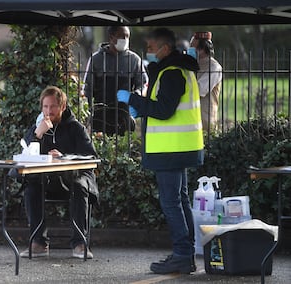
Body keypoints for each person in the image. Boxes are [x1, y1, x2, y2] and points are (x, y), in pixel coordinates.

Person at [117, 28, 204, 274]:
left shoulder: (172, 72)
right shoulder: (178, 69)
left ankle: (182, 254)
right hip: (179, 148)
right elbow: (163, 107)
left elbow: (165, 110)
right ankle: (185, 253)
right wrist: (142, 108)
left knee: (171, 202)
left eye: (151, 47)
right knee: (180, 199)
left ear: (165, 49)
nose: (148, 52)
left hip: (170, 149)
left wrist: (133, 101)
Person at [18, 86, 98, 259]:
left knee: (79, 186)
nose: (49, 111)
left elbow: (91, 157)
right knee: (32, 187)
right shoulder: (38, 127)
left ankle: (79, 244)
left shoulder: (76, 128)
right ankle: (38, 243)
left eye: (53, 106)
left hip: (73, 177)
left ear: (62, 107)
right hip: (48, 179)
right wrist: (38, 134)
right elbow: (24, 153)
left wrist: (64, 157)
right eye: (45, 107)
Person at [82, 26, 148, 135]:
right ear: (111, 37)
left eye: (127, 36)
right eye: (121, 36)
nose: (125, 39)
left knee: (124, 149)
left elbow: (144, 84)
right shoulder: (97, 59)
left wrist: (136, 95)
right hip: (100, 116)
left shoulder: (134, 60)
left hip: (124, 116)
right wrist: (88, 112)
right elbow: (87, 88)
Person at [189, 31, 222, 132]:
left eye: (192, 47)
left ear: (202, 49)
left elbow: (199, 90)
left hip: (206, 122)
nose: (189, 50)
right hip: (190, 121)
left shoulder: (214, 67)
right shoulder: (191, 65)